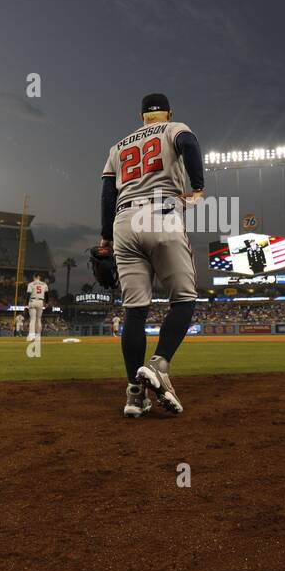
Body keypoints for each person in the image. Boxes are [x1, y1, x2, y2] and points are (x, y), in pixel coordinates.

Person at [96, 93, 205, 417]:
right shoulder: (174, 128)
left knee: (135, 312)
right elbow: (190, 144)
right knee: (184, 300)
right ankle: (158, 366)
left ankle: (134, 394)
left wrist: (105, 236)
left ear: (142, 116)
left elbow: (107, 193)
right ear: (168, 112)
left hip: (124, 222)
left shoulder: (118, 146)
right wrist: (198, 187)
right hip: (161, 213)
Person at [25, 274, 48, 340]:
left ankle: (31, 336)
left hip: (33, 300)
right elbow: (46, 294)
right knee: (38, 319)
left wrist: (26, 304)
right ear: (39, 277)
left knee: (32, 319)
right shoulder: (44, 284)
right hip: (41, 301)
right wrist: (46, 302)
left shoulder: (31, 284)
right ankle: (38, 336)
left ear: (34, 277)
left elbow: (28, 294)